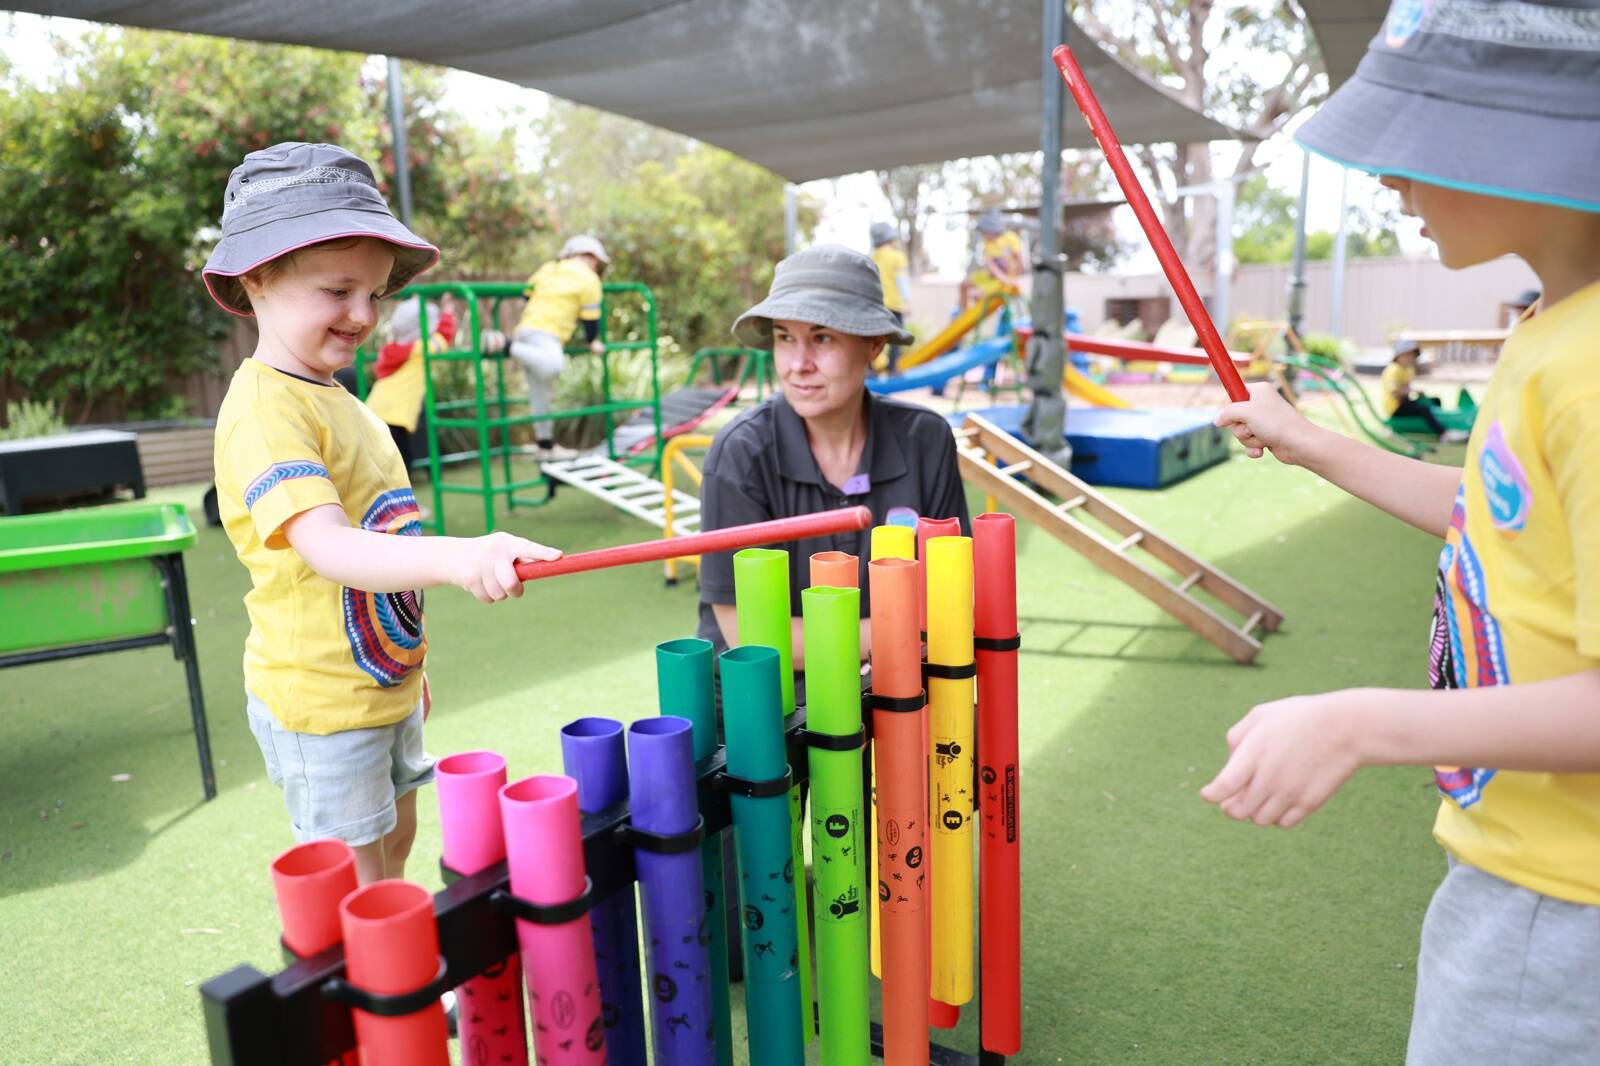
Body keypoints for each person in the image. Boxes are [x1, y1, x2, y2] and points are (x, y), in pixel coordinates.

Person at [1199, 5, 1600, 1062]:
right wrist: (1306, 442)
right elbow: (1495, 521)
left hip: (1564, 909)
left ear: (1523, 139)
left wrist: (1363, 723)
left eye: (1420, 142)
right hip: (1528, 872)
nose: (1390, 180)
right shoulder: (1554, 331)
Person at [204, 142, 561, 885]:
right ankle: (370, 999)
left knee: (394, 846)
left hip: (382, 683)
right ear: (257, 279)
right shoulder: (266, 411)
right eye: (338, 290)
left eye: (375, 293)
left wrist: (408, 667)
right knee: (355, 878)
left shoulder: (340, 399)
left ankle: (391, 987)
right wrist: (464, 557)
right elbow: (332, 549)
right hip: (323, 703)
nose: (364, 313)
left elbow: (385, 535)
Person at [697, 244, 970, 697]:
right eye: (785, 338)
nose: (798, 364)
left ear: (874, 345)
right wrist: (905, 634)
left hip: (892, 694)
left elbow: (953, 592)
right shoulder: (741, 451)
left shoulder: (926, 439)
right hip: (762, 711)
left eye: (822, 338)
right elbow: (751, 637)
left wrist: (924, 632)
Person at [510, 235, 610, 461]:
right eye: (596, 261)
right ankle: (507, 348)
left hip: (525, 329)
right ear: (590, 258)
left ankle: (545, 446)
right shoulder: (589, 279)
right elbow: (590, 320)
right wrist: (592, 341)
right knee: (553, 367)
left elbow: (524, 297)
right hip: (547, 333)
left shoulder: (548, 268)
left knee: (541, 394)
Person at [366, 297, 457, 465]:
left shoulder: (390, 351)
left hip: (373, 413)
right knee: (401, 470)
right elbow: (443, 339)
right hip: (394, 419)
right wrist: (447, 313)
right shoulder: (417, 351)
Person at [1380, 338, 1466, 441]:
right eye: (1407, 355)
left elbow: (1406, 388)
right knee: (1423, 409)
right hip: (1395, 408)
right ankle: (1443, 433)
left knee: (1434, 400)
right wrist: (1413, 391)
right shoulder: (1393, 370)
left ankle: (1439, 423)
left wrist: (1416, 393)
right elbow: (1394, 392)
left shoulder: (1408, 369)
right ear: (1398, 355)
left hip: (1404, 402)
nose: (1410, 358)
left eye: (1412, 355)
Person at [869, 221, 912, 372]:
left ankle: (872, 368)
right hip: (894, 305)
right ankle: (893, 369)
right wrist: (907, 302)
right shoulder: (897, 256)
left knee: (874, 337)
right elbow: (902, 281)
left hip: (877, 304)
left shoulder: (872, 257)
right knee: (896, 339)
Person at [965, 210, 1024, 307]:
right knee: (966, 284)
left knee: (977, 294)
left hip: (1006, 278)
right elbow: (990, 265)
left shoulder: (1009, 238)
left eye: (985, 232)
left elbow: (1019, 260)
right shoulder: (987, 243)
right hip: (994, 277)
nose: (983, 236)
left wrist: (1013, 278)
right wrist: (1002, 277)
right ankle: (964, 311)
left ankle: (978, 312)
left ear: (991, 230)